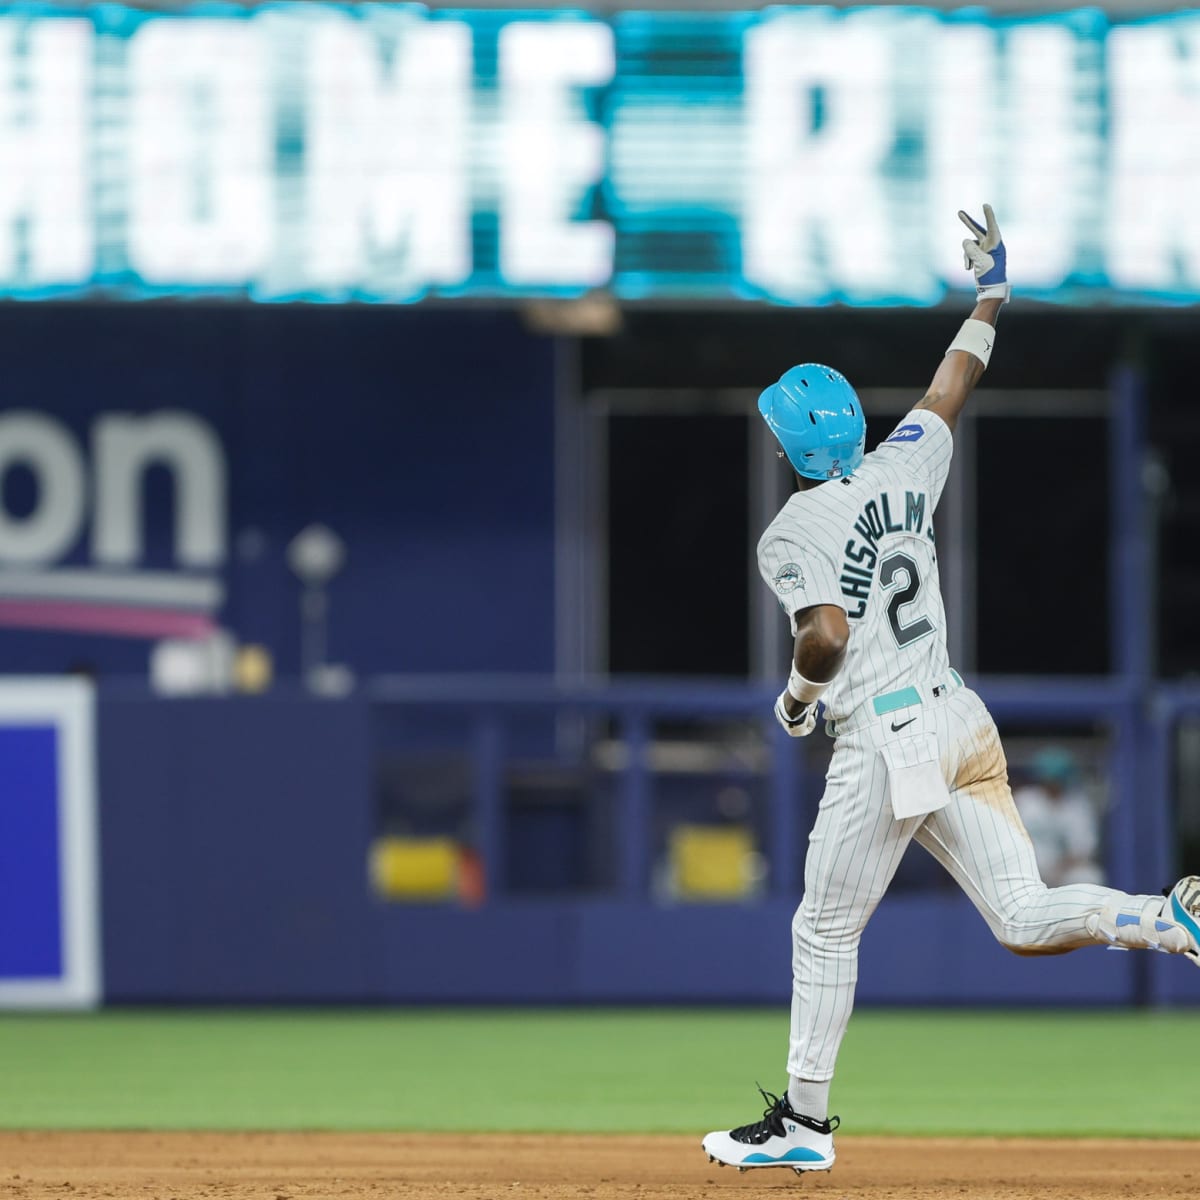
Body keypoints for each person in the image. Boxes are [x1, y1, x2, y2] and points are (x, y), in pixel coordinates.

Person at [700, 206, 1200, 1177]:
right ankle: (1167, 920)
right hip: (961, 718)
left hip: (888, 740)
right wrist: (990, 295)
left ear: (791, 449)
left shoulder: (790, 534)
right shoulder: (907, 463)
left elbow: (828, 632)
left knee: (825, 926)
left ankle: (803, 1129)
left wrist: (798, 700)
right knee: (1021, 917)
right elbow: (951, 383)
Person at [1013, 747, 1105, 887]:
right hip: (1026, 868)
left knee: (1088, 876)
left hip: (1062, 870)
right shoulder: (1025, 800)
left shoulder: (1077, 807)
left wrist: (1058, 869)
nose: (1051, 783)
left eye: (1056, 779)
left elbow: (1082, 851)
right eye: (1048, 778)